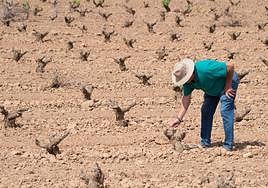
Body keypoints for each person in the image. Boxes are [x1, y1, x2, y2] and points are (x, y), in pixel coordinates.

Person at [170, 58, 239, 151]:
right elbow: (186, 99)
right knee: (206, 111)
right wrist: (179, 118)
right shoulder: (188, 83)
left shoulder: (205, 69)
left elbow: (230, 67)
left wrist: (228, 86)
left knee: (225, 110)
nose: (184, 81)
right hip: (212, 89)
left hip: (228, 82)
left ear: (190, 73)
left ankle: (228, 145)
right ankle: (205, 142)